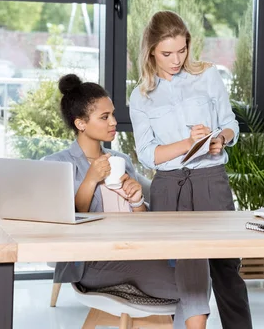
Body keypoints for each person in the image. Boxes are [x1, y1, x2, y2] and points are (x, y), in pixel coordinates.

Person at [44, 74, 210, 329]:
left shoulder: (121, 160)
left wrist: (136, 201)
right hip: (94, 262)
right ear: (80, 123)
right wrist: (90, 180)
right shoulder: (57, 165)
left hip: (136, 252)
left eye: (112, 114)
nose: (113, 122)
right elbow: (66, 222)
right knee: (194, 285)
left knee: (195, 261)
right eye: (104, 117)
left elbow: (142, 222)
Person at [129, 10, 253, 329]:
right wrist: (188, 143)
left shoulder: (207, 75)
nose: (175, 59)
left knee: (226, 267)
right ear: (151, 50)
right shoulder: (140, 96)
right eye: (167, 53)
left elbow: (229, 125)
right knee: (176, 269)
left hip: (211, 181)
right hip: (169, 186)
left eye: (182, 50)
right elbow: (147, 154)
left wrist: (219, 141)